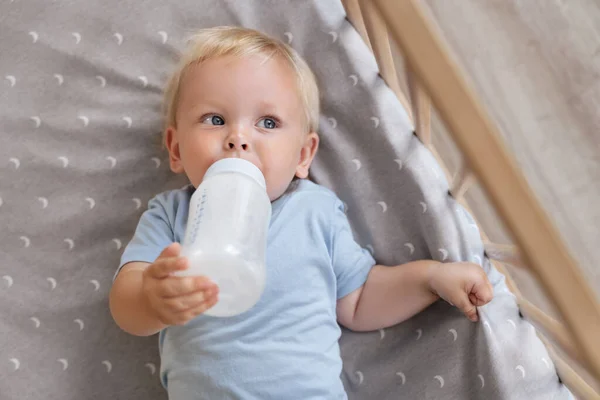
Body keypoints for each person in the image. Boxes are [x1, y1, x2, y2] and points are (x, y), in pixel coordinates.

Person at [109, 26, 493, 399]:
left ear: (303, 155)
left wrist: (430, 278)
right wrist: (151, 299)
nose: (238, 138)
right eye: (215, 119)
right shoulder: (172, 215)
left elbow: (359, 300)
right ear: (175, 149)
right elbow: (125, 306)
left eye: (268, 123)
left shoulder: (314, 211)